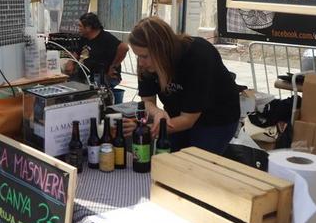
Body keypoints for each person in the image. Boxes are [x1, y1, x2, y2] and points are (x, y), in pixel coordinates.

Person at [125, 16, 240, 155]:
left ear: (162, 49)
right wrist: (158, 112)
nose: (141, 63)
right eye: (138, 56)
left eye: (144, 56)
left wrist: (144, 129)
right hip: (177, 115)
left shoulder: (198, 55)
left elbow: (188, 120)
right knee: (170, 159)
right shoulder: (146, 64)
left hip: (216, 118)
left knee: (196, 166)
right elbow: (147, 100)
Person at [65, 12, 128, 100]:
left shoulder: (106, 38)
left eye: (80, 26)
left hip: (102, 76)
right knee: (67, 89)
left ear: (89, 28)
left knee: (88, 95)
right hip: (84, 74)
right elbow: (77, 52)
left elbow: (124, 47)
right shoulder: (84, 38)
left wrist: (113, 67)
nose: (78, 29)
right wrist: (71, 62)